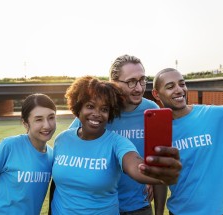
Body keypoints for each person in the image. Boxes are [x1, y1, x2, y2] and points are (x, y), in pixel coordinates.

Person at [50, 76, 181, 215]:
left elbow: (134, 165)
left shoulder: (117, 143)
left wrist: (160, 175)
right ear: (78, 108)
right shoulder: (62, 139)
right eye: (90, 106)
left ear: (110, 113)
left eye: (104, 109)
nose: (97, 114)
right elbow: (56, 185)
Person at [69, 54, 169, 215]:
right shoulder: (98, 110)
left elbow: (159, 166)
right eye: (131, 81)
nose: (139, 88)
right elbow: (70, 149)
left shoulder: (153, 111)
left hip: (139, 206)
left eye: (142, 80)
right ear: (113, 83)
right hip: (99, 206)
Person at [152, 68, 223, 215]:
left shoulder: (221, 117)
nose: (179, 90)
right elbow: (160, 178)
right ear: (156, 94)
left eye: (182, 84)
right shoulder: (159, 131)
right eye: (170, 87)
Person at [0, 93, 57, 215]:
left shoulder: (52, 156)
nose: (47, 125)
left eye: (51, 117)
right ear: (25, 123)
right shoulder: (9, 146)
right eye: (39, 119)